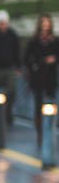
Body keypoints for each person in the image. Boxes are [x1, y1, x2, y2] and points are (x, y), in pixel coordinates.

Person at [24, 13, 59, 143]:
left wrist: (53, 60)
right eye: (43, 23)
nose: (45, 26)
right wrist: (42, 61)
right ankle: (40, 133)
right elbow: (27, 59)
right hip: (37, 77)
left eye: (47, 23)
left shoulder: (55, 41)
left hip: (51, 77)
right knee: (38, 105)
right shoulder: (34, 41)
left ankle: (50, 130)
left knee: (51, 104)